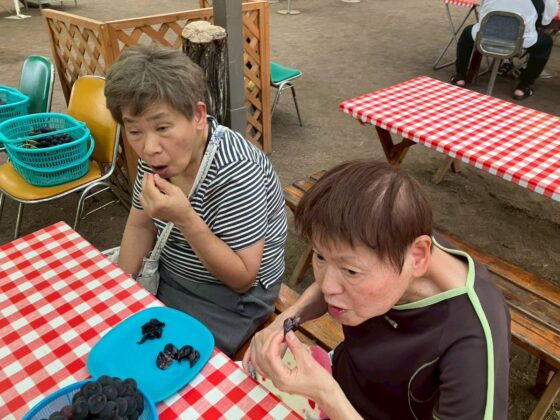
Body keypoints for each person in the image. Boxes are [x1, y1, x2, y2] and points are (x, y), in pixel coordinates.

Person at [243, 159, 511, 419]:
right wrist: (285, 321)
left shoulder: (474, 340)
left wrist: (325, 393)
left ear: (418, 257)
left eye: (351, 271)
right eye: (320, 256)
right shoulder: (392, 239)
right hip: (342, 378)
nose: (326, 286)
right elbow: (334, 271)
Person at [104, 44, 288, 358]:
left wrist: (185, 218)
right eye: (134, 131)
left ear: (198, 116)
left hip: (231, 300)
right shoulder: (157, 157)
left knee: (165, 360)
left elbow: (243, 278)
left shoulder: (236, 171)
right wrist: (125, 292)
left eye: (162, 127)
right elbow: (140, 224)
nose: (149, 148)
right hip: (170, 273)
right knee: (114, 334)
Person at [451, 0, 558, 100]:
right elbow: (546, 21)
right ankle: (523, 87)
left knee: (467, 33)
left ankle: (460, 76)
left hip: (486, 35)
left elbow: (482, 11)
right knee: (546, 43)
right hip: (520, 38)